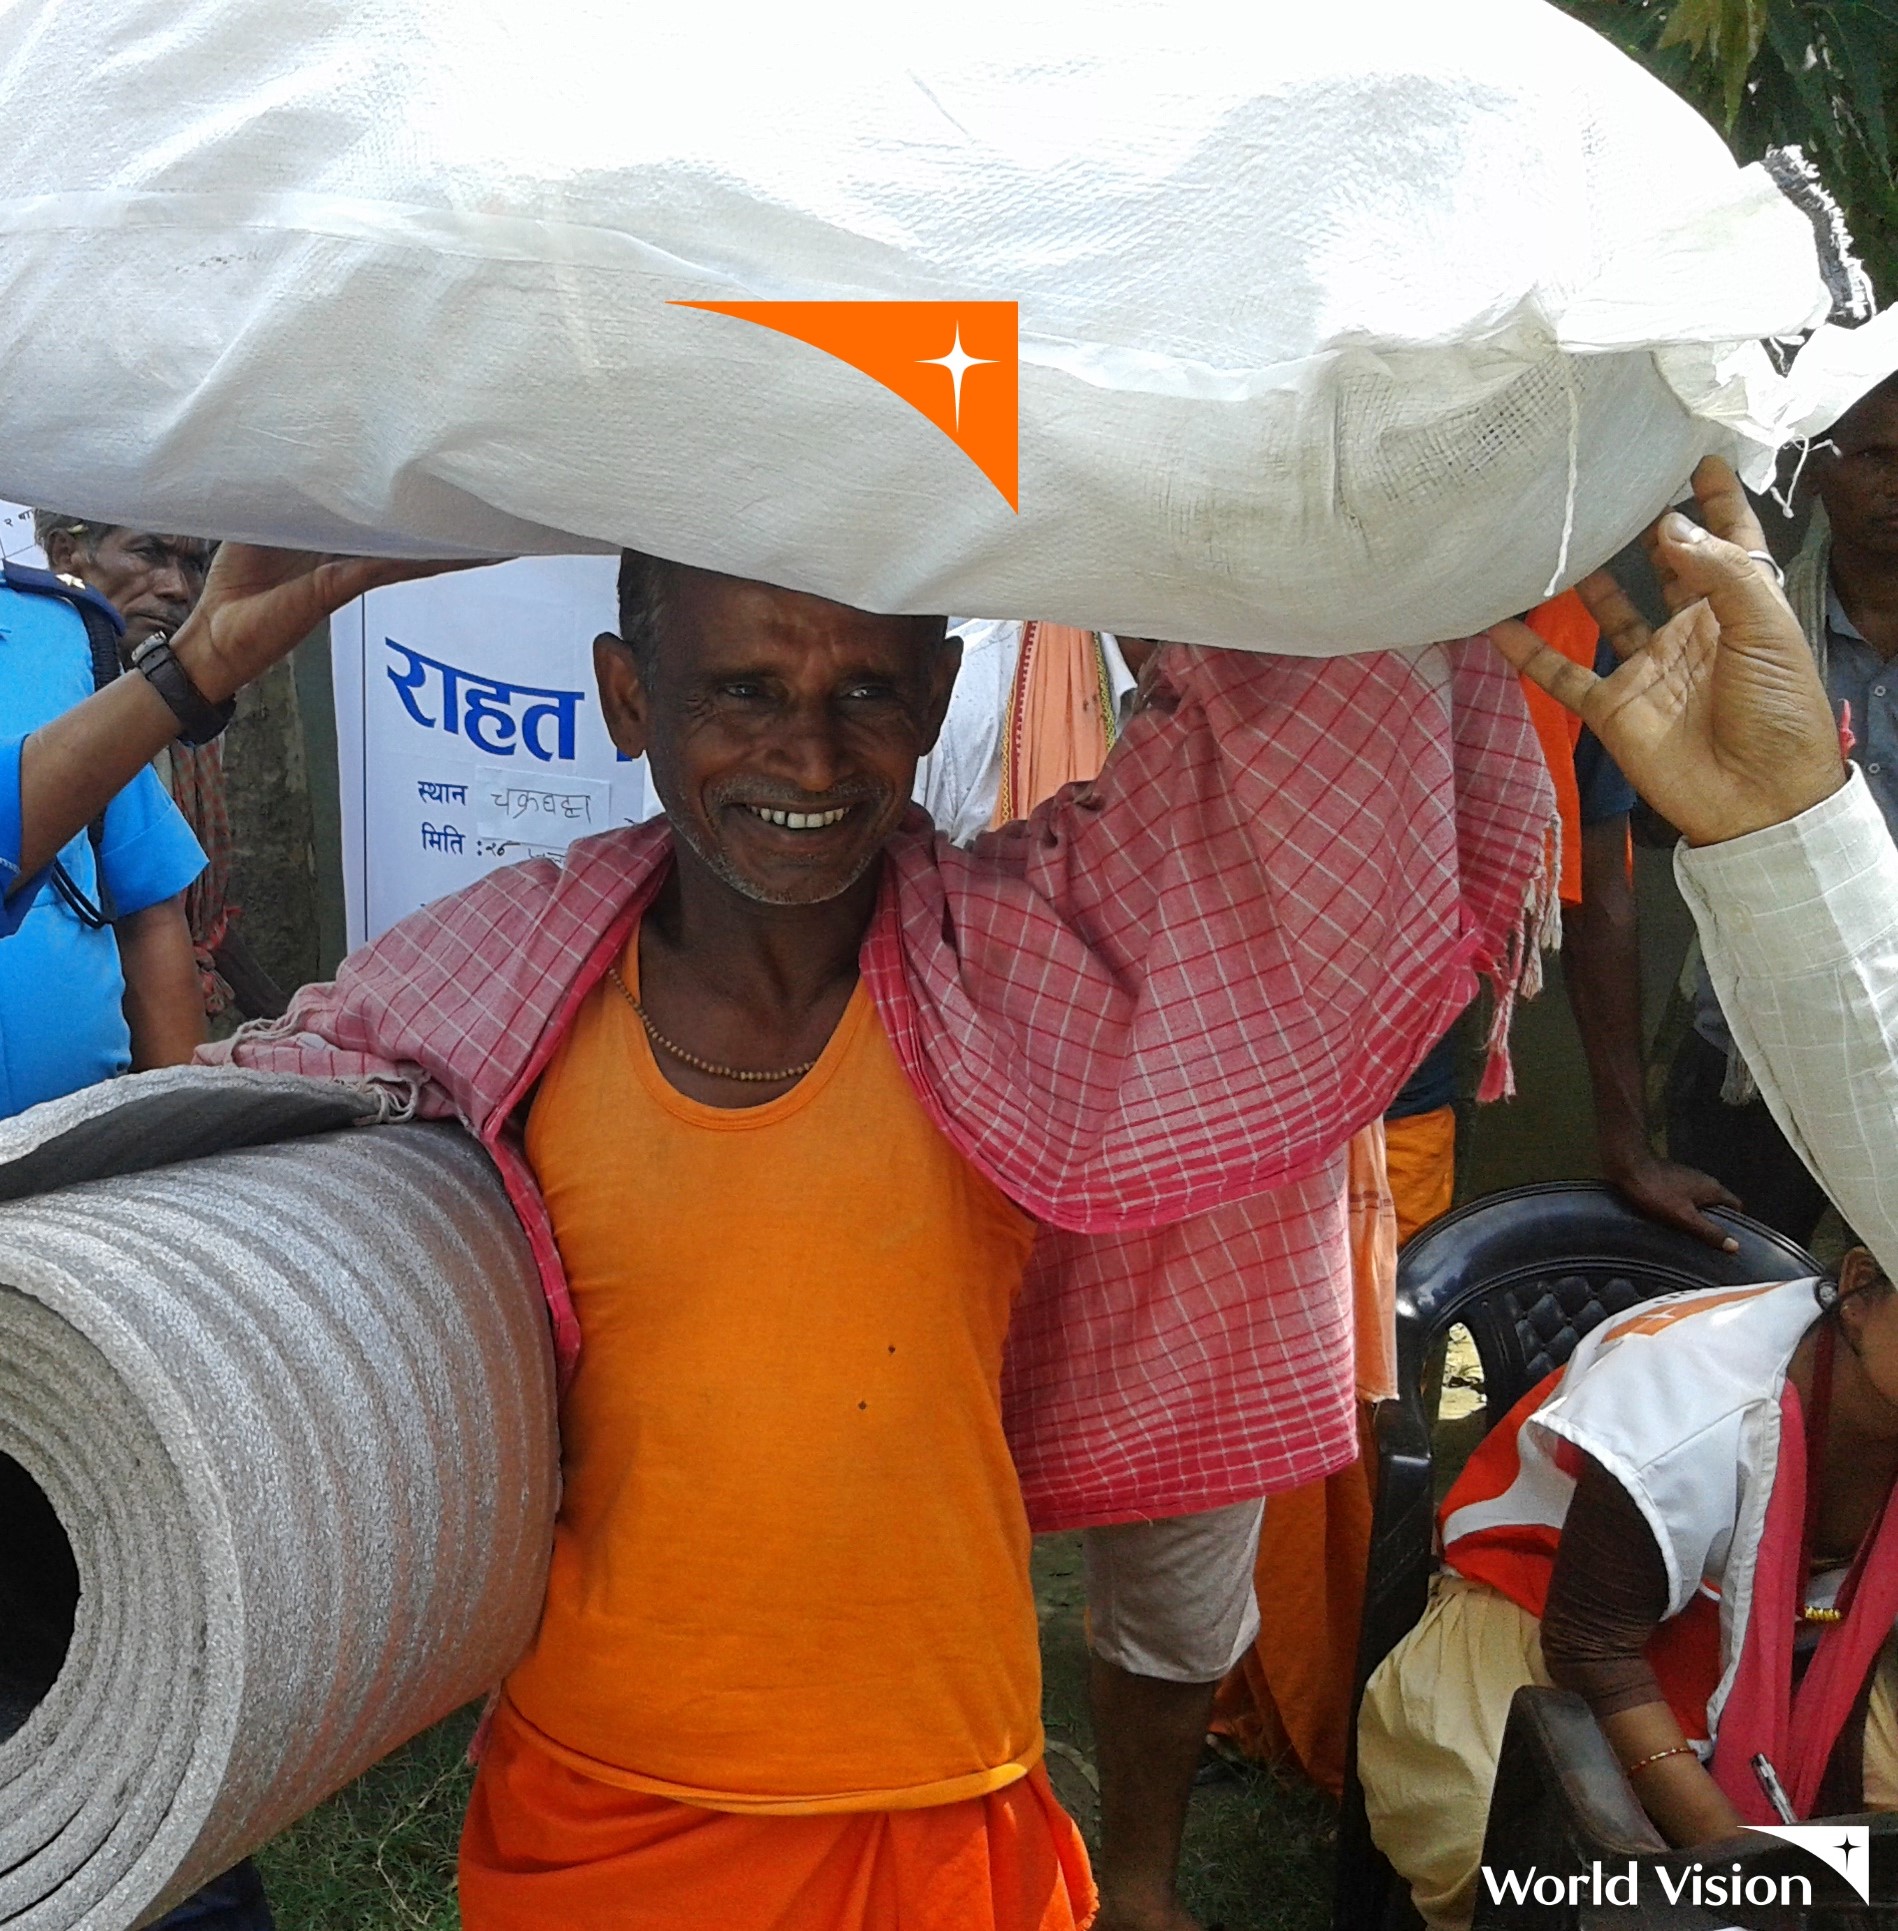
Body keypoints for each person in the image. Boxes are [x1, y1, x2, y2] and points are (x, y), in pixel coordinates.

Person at [193, 541, 1553, 1931]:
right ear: (625, 694)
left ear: (937, 691)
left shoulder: (1024, 976)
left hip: (938, 1798)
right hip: (596, 1808)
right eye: (740, 688)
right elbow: (181, 1169)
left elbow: (1309, 751)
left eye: (865, 692)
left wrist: (1140, 496)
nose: (808, 754)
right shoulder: (494, 995)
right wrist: (189, 677)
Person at [1358, 458, 1894, 1930]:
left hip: (1744, 1638)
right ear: (1848, 1284)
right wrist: (1723, 1855)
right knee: (1547, 1874)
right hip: (1545, 1643)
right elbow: (1591, 1651)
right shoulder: (1688, 1418)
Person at [1664, 373, 1898, 1246]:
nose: (1897, 483)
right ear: (1818, 463)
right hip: (1750, 1053)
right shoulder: (1747, 631)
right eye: (1877, 455)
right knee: (1751, 1308)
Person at [33, 513, 288, 1022]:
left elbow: (197, 922)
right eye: (148, 553)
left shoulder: (182, 705)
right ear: (66, 553)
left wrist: (284, 1020)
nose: (177, 588)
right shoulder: (39, 702)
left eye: (194, 563)